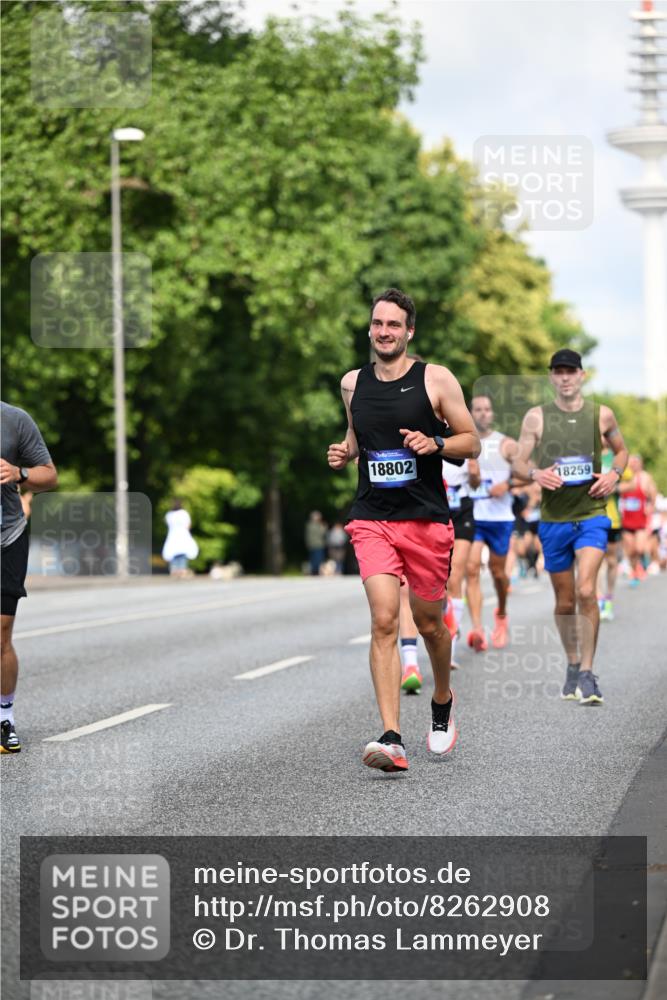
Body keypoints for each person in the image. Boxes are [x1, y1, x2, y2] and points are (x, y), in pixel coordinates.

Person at [327, 288, 480, 772]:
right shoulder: (353, 383)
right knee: (384, 621)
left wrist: (434, 442)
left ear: (409, 331)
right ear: (370, 328)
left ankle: (441, 701)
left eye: (394, 325)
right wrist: (345, 452)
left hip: (426, 520)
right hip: (372, 518)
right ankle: (392, 737)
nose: (384, 332)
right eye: (377, 324)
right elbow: (358, 438)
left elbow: (470, 442)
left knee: (430, 623)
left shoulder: (435, 379)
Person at [513, 349, 628, 706]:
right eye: (558, 372)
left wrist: (613, 474)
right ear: (551, 377)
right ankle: (573, 662)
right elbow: (518, 461)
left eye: (570, 371)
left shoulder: (601, 415)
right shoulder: (536, 418)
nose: (565, 377)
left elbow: (621, 451)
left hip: (592, 515)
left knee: (586, 591)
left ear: (581, 376)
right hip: (553, 522)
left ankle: (588, 673)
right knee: (564, 603)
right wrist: (535, 473)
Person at [1, 401, 58, 754]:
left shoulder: (14, 419)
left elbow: (49, 475)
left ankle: (4, 716)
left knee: (1, 631)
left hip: (6, 537)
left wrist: (19, 474)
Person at [465, 395, 518, 651]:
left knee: (498, 574)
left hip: (500, 518)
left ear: (492, 414)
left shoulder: (506, 444)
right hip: (472, 516)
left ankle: (502, 613)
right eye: (478, 409)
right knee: (471, 568)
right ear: (470, 413)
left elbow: (530, 474)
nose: (483, 413)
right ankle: (477, 629)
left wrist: (506, 485)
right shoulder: (462, 443)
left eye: (487, 409)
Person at [441, 455, 480, 667]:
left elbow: (476, 483)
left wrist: (474, 474)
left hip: (461, 507)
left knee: (455, 575)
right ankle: (446, 622)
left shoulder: (464, 435)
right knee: (440, 581)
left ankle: (451, 648)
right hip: (434, 505)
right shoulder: (424, 430)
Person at [597, 447, 630, 621]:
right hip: (591, 516)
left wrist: (613, 487)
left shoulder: (616, 455)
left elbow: (631, 482)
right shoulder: (587, 452)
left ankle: (608, 598)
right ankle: (598, 598)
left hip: (612, 518)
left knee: (610, 561)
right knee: (593, 561)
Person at [619, 455, 657, 586]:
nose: (633, 465)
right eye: (631, 463)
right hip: (626, 520)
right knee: (631, 550)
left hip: (640, 520)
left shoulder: (645, 478)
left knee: (640, 548)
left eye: (636, 462)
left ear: (640, 464)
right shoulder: (623, 478)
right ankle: (635, 570)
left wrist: (650, 507)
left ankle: (640, 566)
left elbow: (653, 495)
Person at [161, 499, 198, 577]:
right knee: (182, 555)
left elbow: (166, 523)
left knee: (173, 554)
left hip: (172, 536)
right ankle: (182, 570)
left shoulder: (169, 514)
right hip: (183, 536)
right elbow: (188, 525)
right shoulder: (184, 513)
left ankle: (174, 570)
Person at [304, 510, 328, 576]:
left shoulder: (309, 525)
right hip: (318, 544)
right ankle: (315, 572)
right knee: (318, 559)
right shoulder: (318, 525)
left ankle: (313, 572)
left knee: (313, 559)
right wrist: (324, 527)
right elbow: (322, 533)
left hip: (311, 544)